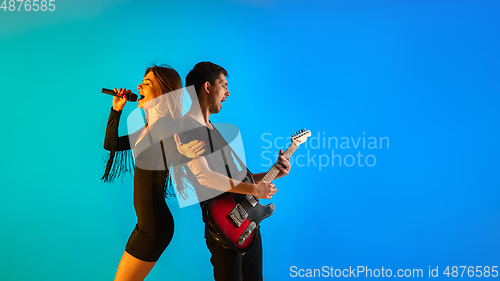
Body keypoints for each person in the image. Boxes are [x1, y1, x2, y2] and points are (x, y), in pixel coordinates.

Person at [177, 62, 291, 281]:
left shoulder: (214, 129)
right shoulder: (186, 128)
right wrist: (253, 188)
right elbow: (206, 177)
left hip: (248, 222)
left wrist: (276, 171)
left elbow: (240, 178)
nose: (228, 93)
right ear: (208, 87)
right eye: (224, 85)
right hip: (224, 227)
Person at [101, 65, 205, 281]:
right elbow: (110, 144)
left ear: (163, 92)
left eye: (147, 83)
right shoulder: (147, 129)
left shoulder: (166, 126)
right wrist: (116, 110)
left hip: (154, 227)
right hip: (145, 225)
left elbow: (173, 153)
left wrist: (183, 153)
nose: (139, 86)